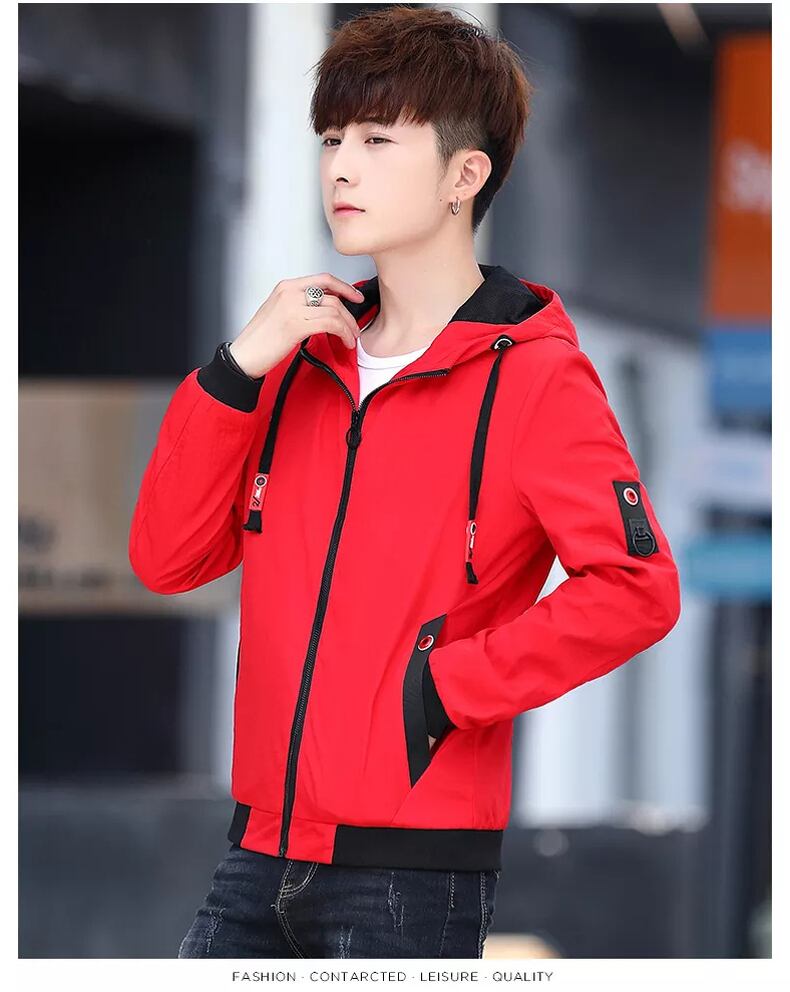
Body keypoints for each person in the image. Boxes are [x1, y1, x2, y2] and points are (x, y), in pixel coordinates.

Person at [128, 6, 681, 959]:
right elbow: (168, 558)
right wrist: (236, 369)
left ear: (465, 175)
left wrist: (444, 689)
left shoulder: (537, 379)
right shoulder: (302, 361)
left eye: (378, 140)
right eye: (332, 139)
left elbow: (637, 588)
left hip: (408, 879)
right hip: (255, 853)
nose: (341, 167)